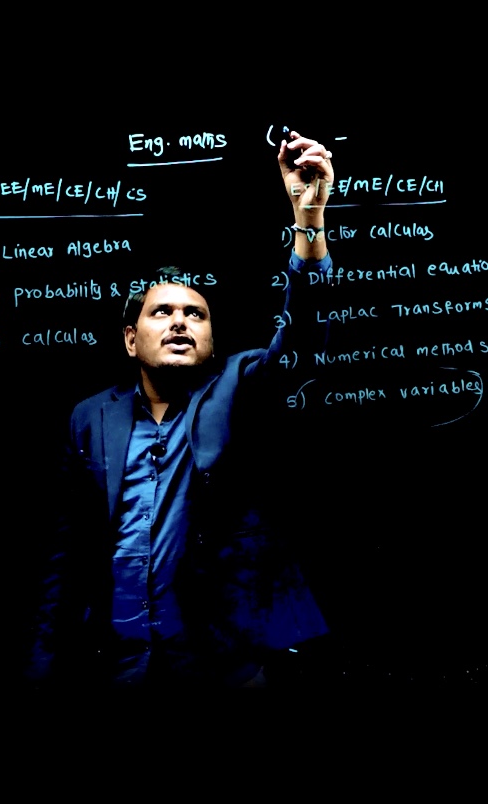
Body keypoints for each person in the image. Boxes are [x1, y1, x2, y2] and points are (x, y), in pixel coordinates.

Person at [26, 131, 336, 689]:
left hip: (224, 661)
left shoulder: (237, 387)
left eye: (195, 314)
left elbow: (305, 335)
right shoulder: (89, 418)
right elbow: (65, 551)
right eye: (161, 312)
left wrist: (307, 216)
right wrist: (43, 664)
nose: (178, 322)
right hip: (118, 663)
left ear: (212, 343)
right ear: (130, 339)